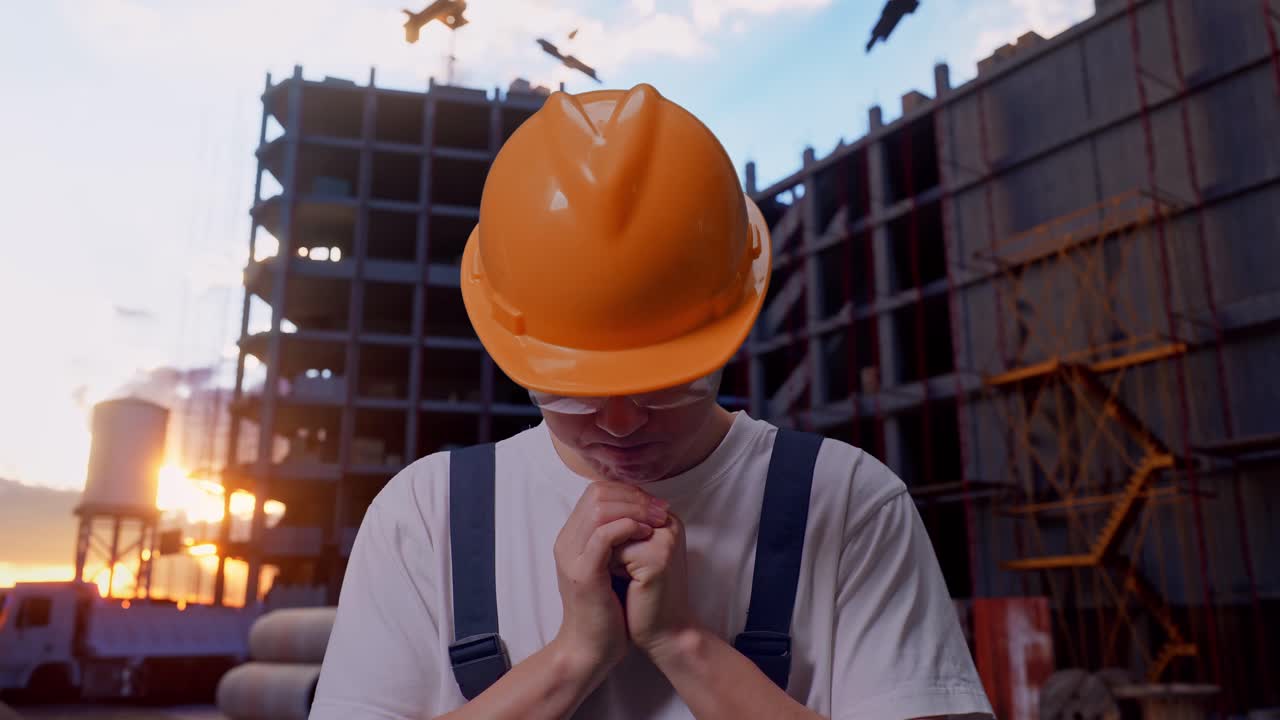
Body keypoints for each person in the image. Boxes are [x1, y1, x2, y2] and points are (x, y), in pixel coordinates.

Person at [310, 83, 993, 720]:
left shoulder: (845, 504)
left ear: (727, 334)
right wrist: (572, 658)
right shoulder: (427, 518)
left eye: (665, 383)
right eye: (573, 390)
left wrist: (684, 645)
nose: (619, 422)